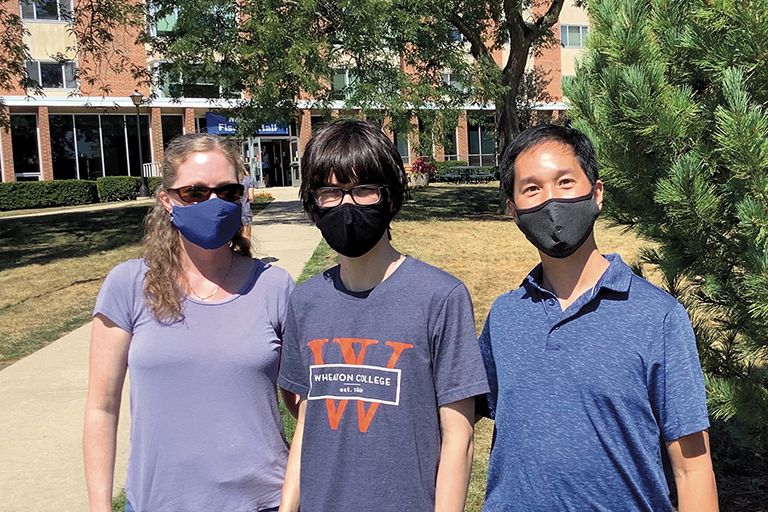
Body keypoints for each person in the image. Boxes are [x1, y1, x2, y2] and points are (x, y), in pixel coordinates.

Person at [477, 124, 718, 511]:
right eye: (531, 189)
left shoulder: (657, 318)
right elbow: (456, 414)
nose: (550, 200)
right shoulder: (506, 316)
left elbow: (693, 468)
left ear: (597, 193)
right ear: (513, 210)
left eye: (565, 182)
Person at [277, 120, 489, 512]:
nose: (347, 205)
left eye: (363, 190)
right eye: (331, 192)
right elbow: (308, 417)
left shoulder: (440, 297)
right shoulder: (304, 302)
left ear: (390, 198)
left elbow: (459, 437)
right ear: (312, 202)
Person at [83, 133, 297, 512]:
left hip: (261, 502)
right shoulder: (130, 284)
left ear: (242, 196)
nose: (212, 203)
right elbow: (102, 407)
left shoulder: (275, 286)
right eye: (195, 192)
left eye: (227, 191)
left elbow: (307, 407)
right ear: (167, 200)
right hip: (156, 503)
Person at [241, 165, 256, 240]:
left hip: (233, 210)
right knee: (246, 235)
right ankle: (245, 250)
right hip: (245, 209)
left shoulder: (232, 180)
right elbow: (251, 197)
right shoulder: (248, 180)